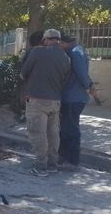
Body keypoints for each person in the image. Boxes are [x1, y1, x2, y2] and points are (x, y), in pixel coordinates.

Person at [20, 28, 71, 177]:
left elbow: (23, 74)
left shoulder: (37, 52)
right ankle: (52, 165)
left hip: (36, 100)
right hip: (55, 101)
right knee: (53, 134)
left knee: (38, 134)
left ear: (46, 39)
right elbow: (64, 80)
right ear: (59, 40)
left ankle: (41, 166)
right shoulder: (65, 57)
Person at [58, 33, 95, 171]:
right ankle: (64, 157)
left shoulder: (74, 53)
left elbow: (81, 74)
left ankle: (72, 160)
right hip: (73, 96)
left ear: (64, 43)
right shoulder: (78, 50)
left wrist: (88, 86)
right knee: (66, 128)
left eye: (59, 44)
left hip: (73, 97)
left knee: (70, 129)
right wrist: (90, 85)